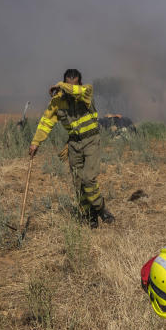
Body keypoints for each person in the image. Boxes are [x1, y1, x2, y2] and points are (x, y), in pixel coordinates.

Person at [28, 69, 115, 228]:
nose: (70, 88)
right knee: (78, 182)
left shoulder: (86, 91)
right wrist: (36, 142)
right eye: (67, 84)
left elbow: (77, 91)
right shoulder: (58, 101)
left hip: (91, 141)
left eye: (72, 85)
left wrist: (60, 85)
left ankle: (100, 207)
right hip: (74, 144)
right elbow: (46, 123)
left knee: (89, 179)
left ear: (79, 84)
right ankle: (89, 216)